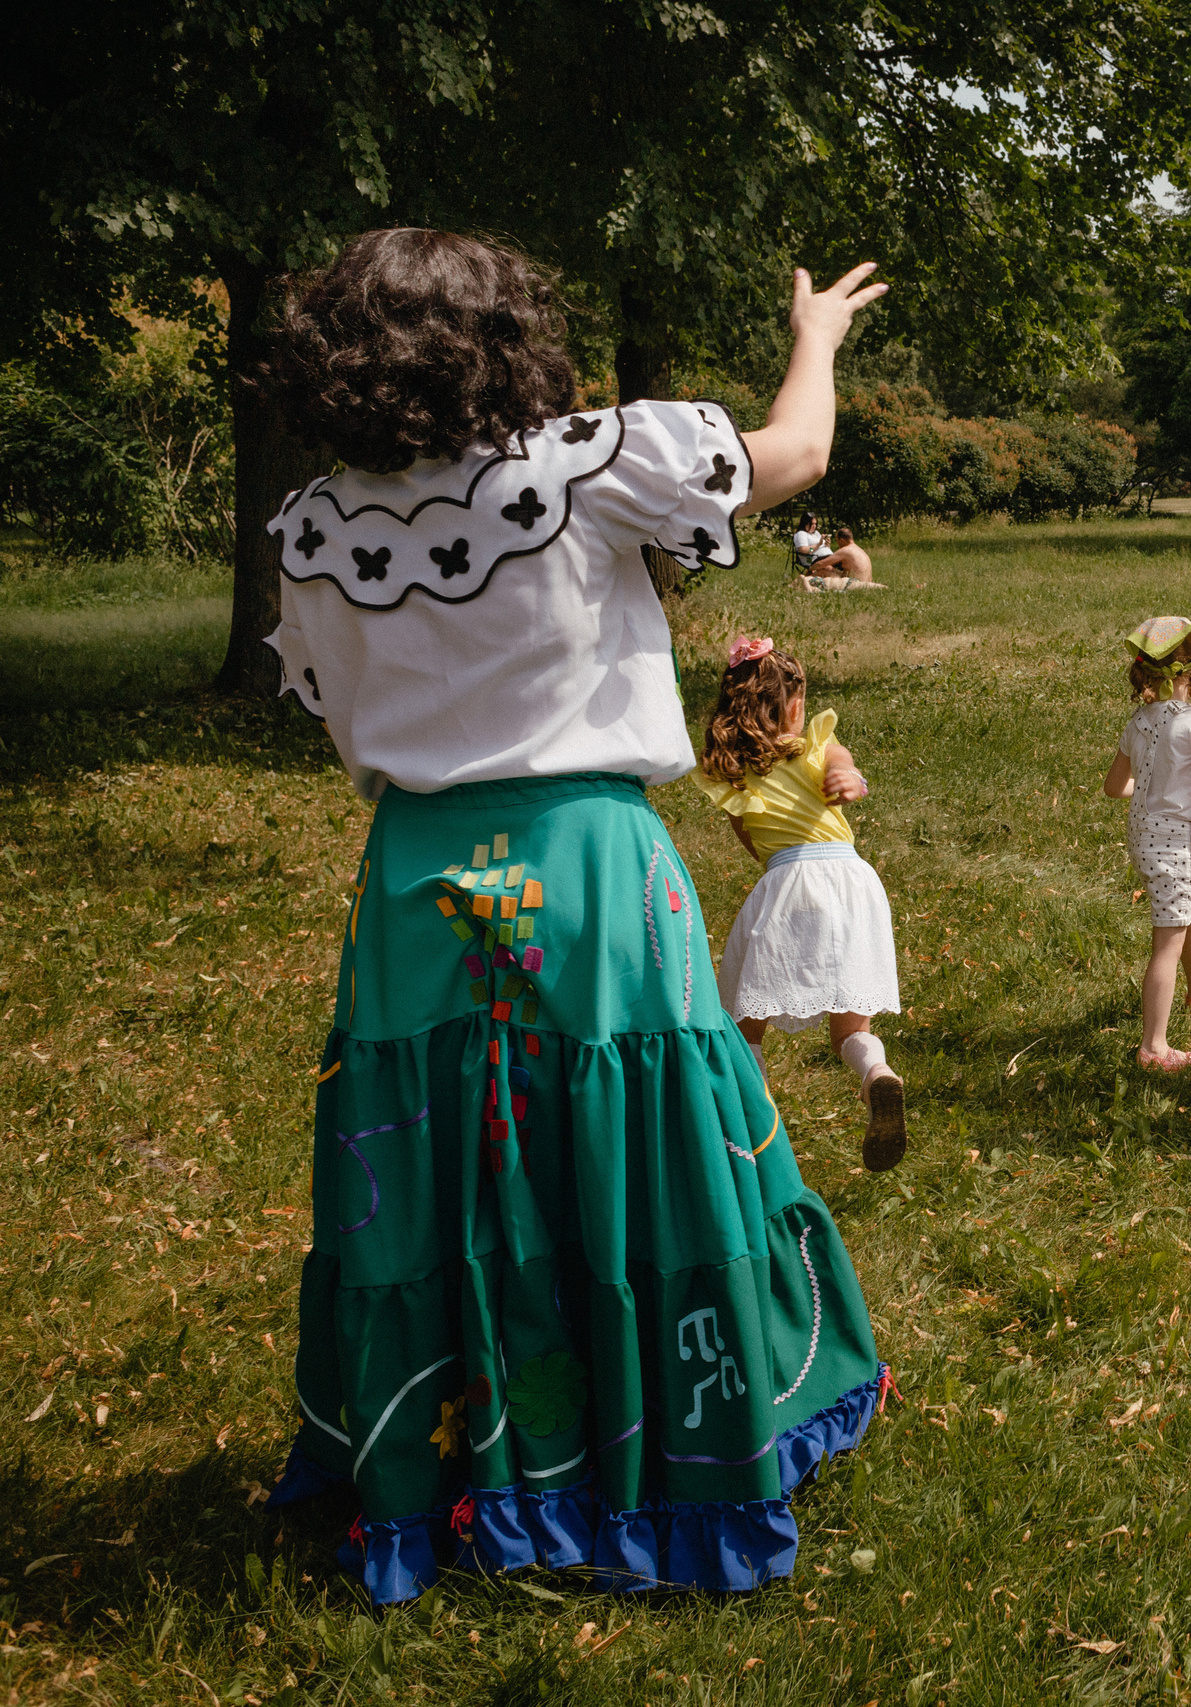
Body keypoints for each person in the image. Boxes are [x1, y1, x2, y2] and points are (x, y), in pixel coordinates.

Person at [257, 227, 891, 1603]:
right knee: (634, 1131)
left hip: (417, 882)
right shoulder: (587, 466)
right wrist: (816, 339)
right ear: (506, 339)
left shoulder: (314, 527)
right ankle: (664, 1446)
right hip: (590, 865)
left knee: (440, 1147)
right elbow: (796, 453)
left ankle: (447, 1459)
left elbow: (339, 714)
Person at [691, 636, 906, 1169]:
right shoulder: (816, 745)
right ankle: (877, 1074)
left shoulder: (732, 772)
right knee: (851, 1030)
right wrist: (848, 779)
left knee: (743, 1024)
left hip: (787, 883)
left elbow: (753, 843)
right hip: (854, 882)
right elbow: (843, 765)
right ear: (793, 706)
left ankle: (753, 1129)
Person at [1102, 616, 1191, 1070]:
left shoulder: (1138, 722)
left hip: (1144, 841)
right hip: (1175, 848)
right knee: (1167, 944)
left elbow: (1114, 786)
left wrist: (1150, 787)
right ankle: (1154, 1047)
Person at [800, 528, 881, 591]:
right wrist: (816, 546)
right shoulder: (860, 550)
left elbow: (821, 564)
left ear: (842, 540)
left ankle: (804, 582)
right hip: (866, 582)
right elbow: (804, 550)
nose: (837, 544)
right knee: (827, 568)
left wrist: (810, 568)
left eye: (837, 541)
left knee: (823, 569)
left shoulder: (845, 550)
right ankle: (806, 581)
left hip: (855, 582)